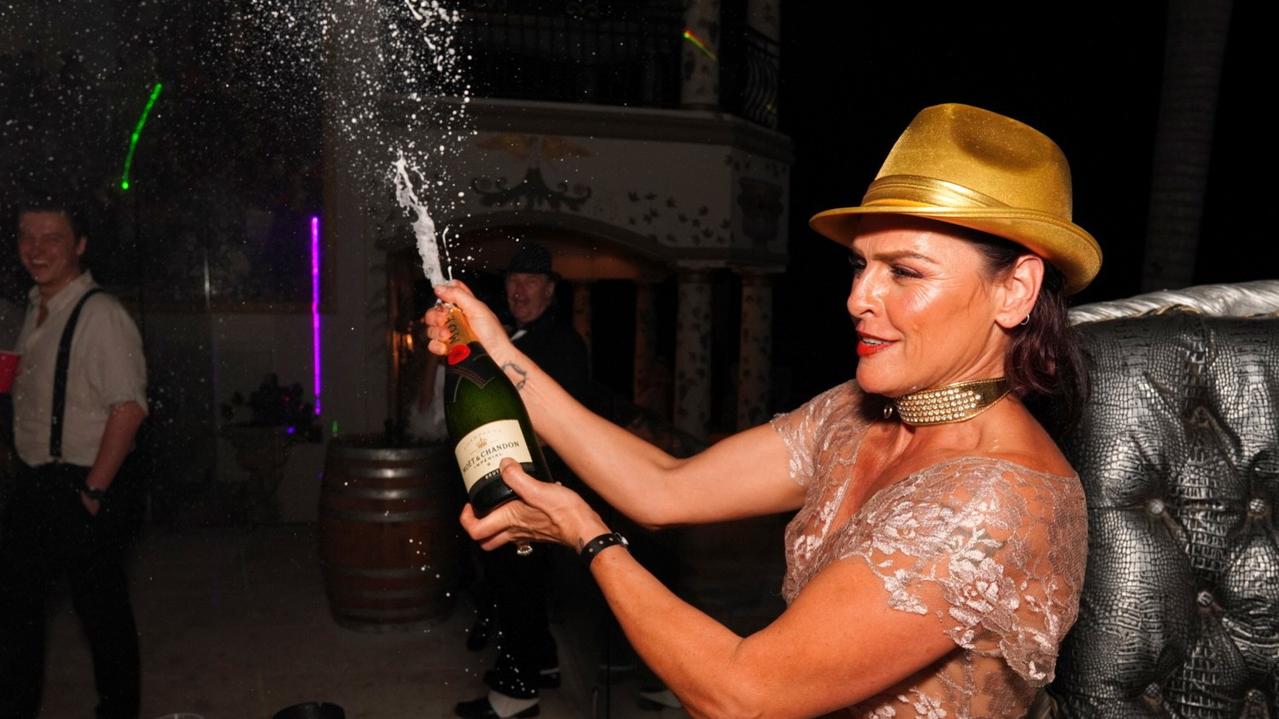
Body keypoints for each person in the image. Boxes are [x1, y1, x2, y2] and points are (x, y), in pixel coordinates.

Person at [426, 104, 1099, 718]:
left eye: (905, 271)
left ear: (1013, 289)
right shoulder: (852, 412)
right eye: (859, 265)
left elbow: (743, 691)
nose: (858, 297)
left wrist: (585, 532)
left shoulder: (997, 498)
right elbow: (665, 485)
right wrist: (490, 343)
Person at [0, 196, 148, 719]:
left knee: (101, 618)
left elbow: (128, 409)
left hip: (83, 483)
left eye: (53, 238)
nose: (36, 250)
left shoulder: (101, 314)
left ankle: (118, 712)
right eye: (26, 237)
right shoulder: (35, 310)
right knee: (17, 617)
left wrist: (93, 491)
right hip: (34, 482)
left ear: (80, 245)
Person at [455, 242, 590, 719]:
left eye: (531, 282)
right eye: (513, 282)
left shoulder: (562, 345)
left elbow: (565, 427)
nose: (520, 290)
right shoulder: (513, 337)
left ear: (550, 291)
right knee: (520, 585)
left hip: (533, 488)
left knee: (518, 587)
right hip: (513, 482)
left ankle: (516, 696)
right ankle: (545, 665)